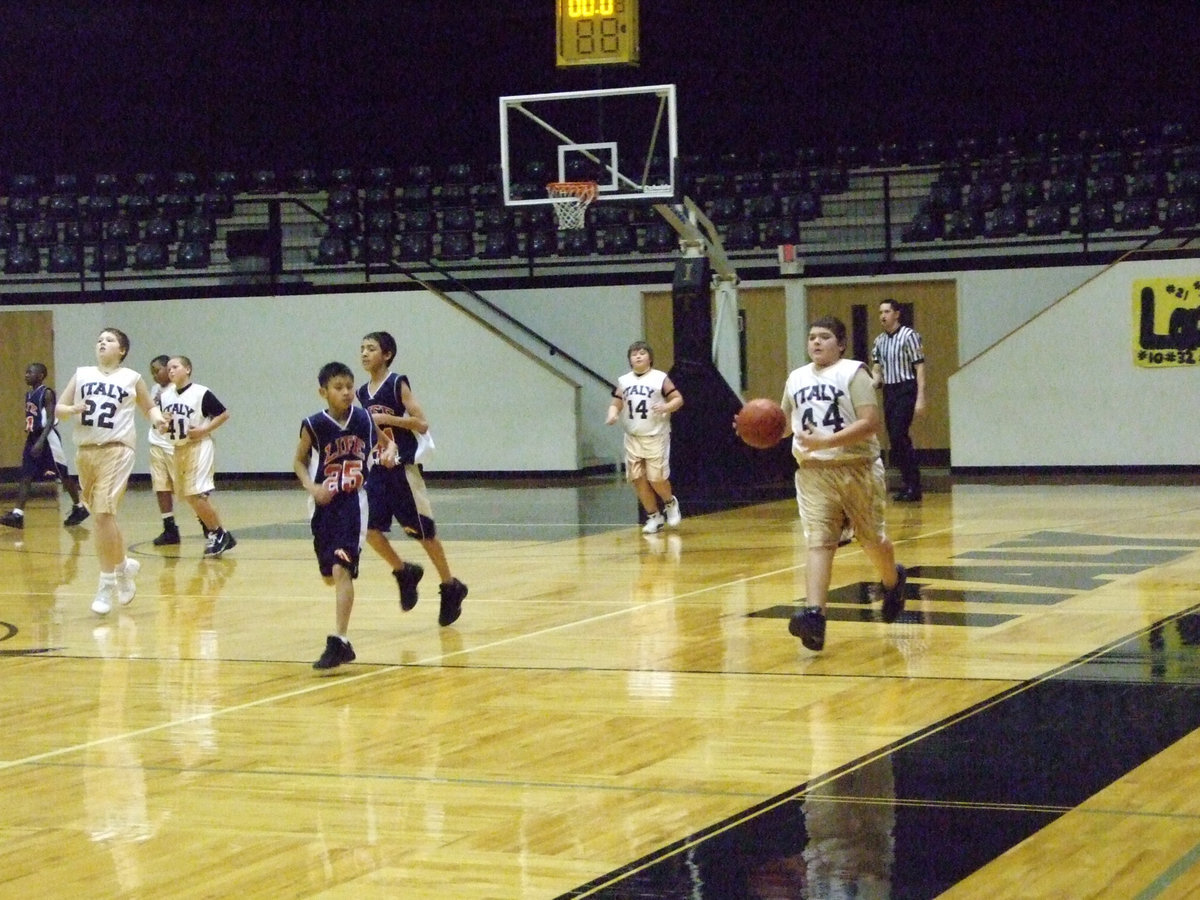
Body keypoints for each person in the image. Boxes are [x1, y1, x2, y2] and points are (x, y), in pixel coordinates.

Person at [780, 315, 907, 652]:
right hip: (813, 472)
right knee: (820, 542)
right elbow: (783, 425)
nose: (816, 343)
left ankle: (893, 581)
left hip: (858, 467)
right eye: (811, 337)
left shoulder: (854, 372)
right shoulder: (796, 378)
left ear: (841, 344)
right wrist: (752, 427)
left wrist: (827, 441)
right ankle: (814, 617)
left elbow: (870, 424)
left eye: (824, 337)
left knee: (870, 539)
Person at [357, 331, 467, 626]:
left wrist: (388, 419)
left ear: (387, 354)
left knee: (423, 533)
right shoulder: (360, 393)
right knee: (368, 529)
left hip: (404, 471)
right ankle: (403, 570)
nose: (365, 353)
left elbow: (421, 422)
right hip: (378, 469)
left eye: (371, 348)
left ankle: (450, 586)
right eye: (362, 349)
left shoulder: (397, 383)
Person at [55, 327, 167, 615]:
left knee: (103, 514)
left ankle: (106, 584)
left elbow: (149, 408)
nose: (102, 343)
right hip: (86, 451)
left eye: (109, 340)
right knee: (103, 518)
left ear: (122, 350)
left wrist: (159, 421)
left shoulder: (132, 378)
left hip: (117, 449)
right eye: (99, 340)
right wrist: (72, 409)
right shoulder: (82, 374)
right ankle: (123, 567)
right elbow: (59, 409)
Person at [295, 361, 393, 669]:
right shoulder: (314, 424)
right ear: (323, 392)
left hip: (352, 504)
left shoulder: (363, 418)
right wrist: (313, 488)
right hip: (323, 505)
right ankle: (341, 639)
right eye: (339, 388)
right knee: (329, 575)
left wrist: (388, 454)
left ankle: (340, 640)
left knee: (341, 569)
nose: (347, 393)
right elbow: (298, 462)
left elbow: (385, 443)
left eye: (350, 387)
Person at [158, 355, 237, 557]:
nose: (171, 371)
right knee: (189, 496)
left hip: (200, 445)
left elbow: (224, 414)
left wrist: (204, 429)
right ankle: (221, 534)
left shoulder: (201, 393)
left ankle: (218, 533)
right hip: (178, 447)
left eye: (175, 367)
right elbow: (161, 426)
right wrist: (163, 425)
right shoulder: (166, 396)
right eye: (168, 369)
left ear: (188, 369)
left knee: (195, 493)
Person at [605, 340, 684, 534]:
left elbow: (678, 399)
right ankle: (653, 517)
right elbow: (616, 402)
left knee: (656, 478)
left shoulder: (660, 378)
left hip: (656, 435)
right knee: (638, 479)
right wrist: (612, 413)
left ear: (650, 357)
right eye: (634, 354)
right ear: (630, 360)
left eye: (642, 353)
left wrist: (666, 407)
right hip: (633, 436)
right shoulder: (624, 380)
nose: (638, 356)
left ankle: (669, 502)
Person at [1, 362, 89, 530]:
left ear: (40, 375)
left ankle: (79, 507)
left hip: (47, 438)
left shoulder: (46, 393)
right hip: (33, 437)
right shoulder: (29, 394)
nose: (26, 375)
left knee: (63, 475)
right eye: (26, 372)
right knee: (25, 474)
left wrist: (41, 441)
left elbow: (49, 420)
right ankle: (18, 514)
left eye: (30, 372)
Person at [870, 298, 926, 502]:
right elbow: (877, 368)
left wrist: (920, 397)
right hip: (889, 390)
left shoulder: (909, 336)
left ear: (897, 314)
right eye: (880, 312)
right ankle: (909, 484)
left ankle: (914, 484)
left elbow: (919, 367)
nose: (883, 316)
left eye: (886, 311)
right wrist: (872, 382)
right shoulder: (879, 341)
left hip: (906, 387)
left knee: (898, 433)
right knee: (895, 439)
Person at [147, 354, 182, 545]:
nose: (154, 375)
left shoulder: (179, 390)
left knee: (187, 490)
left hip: (174, 446)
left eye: (157, 370)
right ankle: (169, 528)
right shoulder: (154, 390)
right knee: (161, 487)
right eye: (151, 371)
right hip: (156, 442)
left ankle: (208, 526)